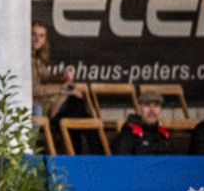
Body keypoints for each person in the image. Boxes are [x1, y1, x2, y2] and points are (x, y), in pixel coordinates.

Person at [30, 22, 96, 152]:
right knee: (77, 109)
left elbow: (46, 78)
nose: (37, 39)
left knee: (79, 110)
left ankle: (89, 154)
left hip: (54, 102)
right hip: (43, 105)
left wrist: (62, 75)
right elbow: (35, 90)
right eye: (34, 34)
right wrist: (65, 89)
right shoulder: (24, 59)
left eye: (41, 36)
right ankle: (94, 155)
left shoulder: (37, 59)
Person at [112, 88, 170, 155]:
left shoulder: (164, 135)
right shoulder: (128, 134)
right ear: (139, 109)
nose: (152, 109)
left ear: (160, 109)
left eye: (156, 105)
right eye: (147, 104)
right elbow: (122, 160)